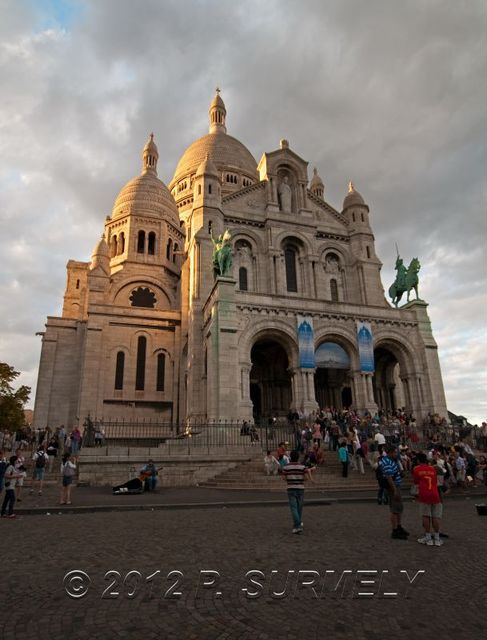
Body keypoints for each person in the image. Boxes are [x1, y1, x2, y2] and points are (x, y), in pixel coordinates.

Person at [413, 452, 443, 546]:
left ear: (418, 460)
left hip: (424, 494)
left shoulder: (416, 469)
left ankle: (428, 537)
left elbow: (416, 482)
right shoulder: (432, 469)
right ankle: (437, 538)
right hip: (434, 493)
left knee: (426, 516)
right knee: (435, 517)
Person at [281, 450, 315, 534]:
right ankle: (297, 524)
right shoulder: (302, 466)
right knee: (299, 508)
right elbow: (306, 478)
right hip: (300, 488)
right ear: (298, 457)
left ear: (290, 457)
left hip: (291, 488)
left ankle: (297, 526)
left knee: (294, 508)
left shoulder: (286, 467)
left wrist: (290, 478)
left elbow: (284, 478)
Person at [381, 444, 409, 540]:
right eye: (395, 452)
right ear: (390, 452)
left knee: (399, 508)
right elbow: (389, 477)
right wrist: (394, 490)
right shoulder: (387, 462)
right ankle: (395, 530)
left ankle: (399, 526)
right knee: (395, 509)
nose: (396, 454)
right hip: (393, 487)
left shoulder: (392, 460)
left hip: (396, 485)